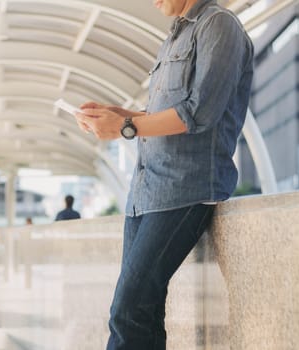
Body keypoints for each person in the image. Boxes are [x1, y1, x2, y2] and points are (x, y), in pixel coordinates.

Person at [73, 0, 254, 348]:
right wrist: (116, 113)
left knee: (127, 310)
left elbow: (198, 112)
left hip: (185, 188)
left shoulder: (219, 26)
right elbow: (158, 112)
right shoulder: (176, 34)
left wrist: (124, 127)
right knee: (141, 310)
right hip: (146, 192)